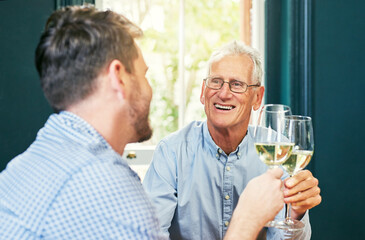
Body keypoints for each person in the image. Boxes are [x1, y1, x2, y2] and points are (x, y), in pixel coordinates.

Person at [0, 6, 287, 240]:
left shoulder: (25, 166)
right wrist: (247, 221)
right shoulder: (110, 191)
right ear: (119, 78)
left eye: (236, 84)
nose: (150, 89)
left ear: (256, 96)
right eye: (144, 74)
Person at [143, 40, 322, 240]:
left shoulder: (277, 150)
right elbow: (148, 235)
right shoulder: (171, 152)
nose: (224, 93)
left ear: (257, 97)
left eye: (237, 84)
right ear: (203, 92)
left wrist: (296, 212)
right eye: (216, 81)